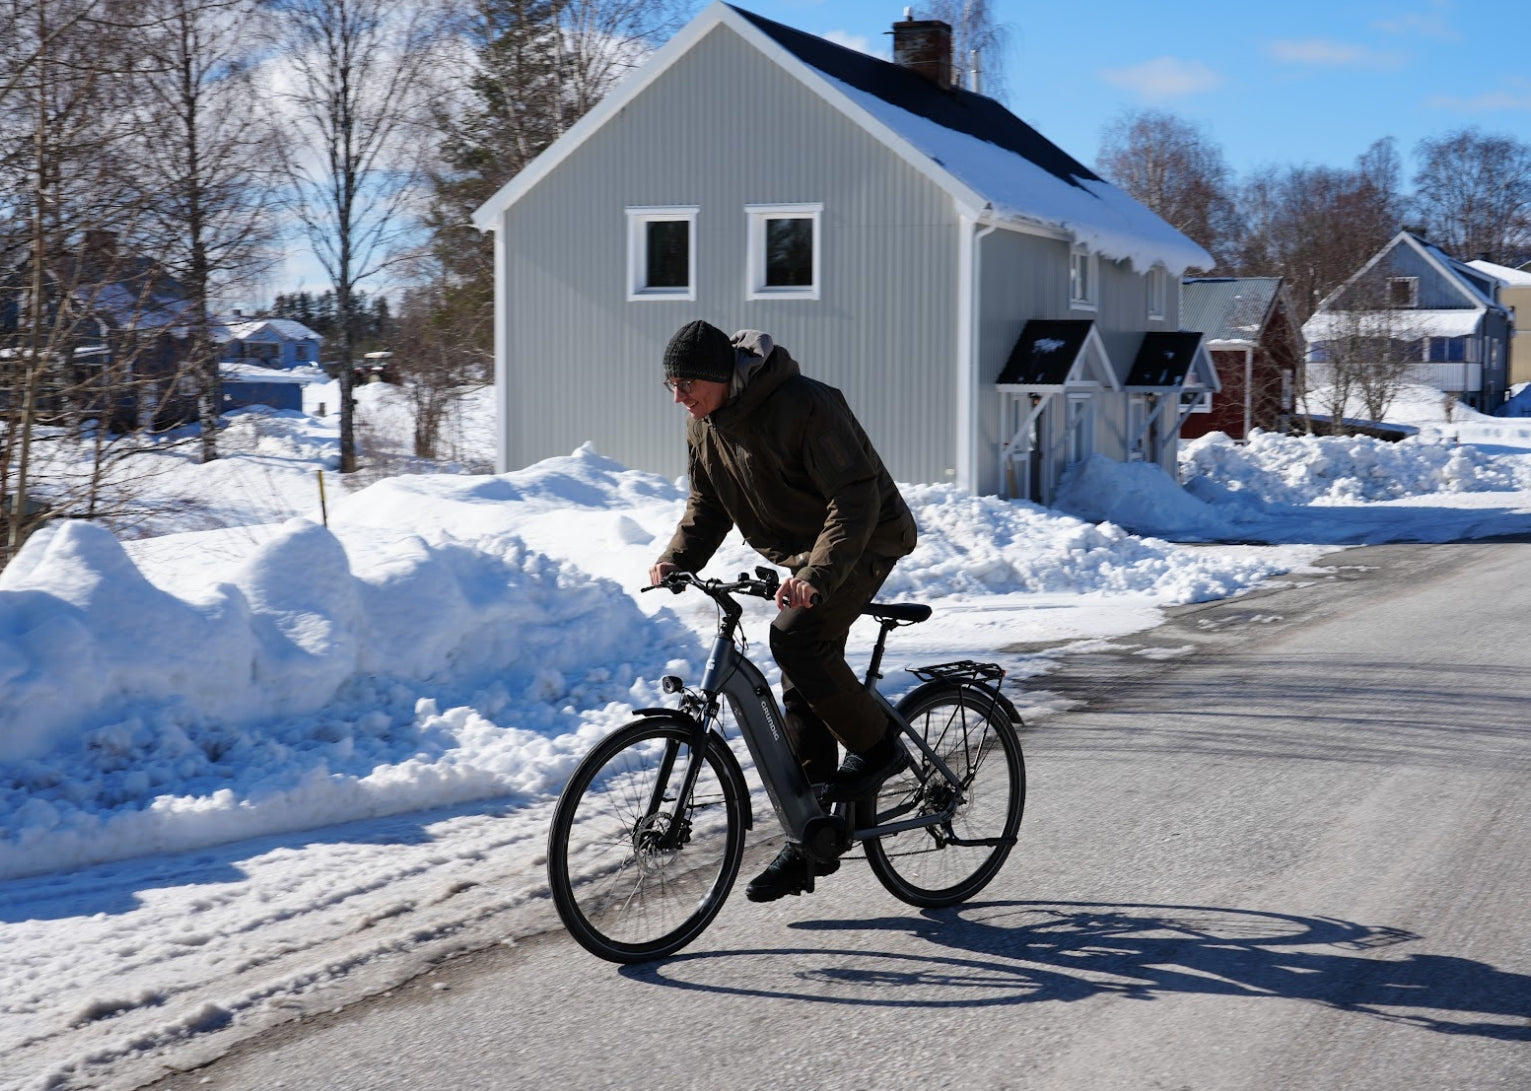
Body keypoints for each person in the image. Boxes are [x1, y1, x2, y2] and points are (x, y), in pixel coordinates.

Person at [648, 319, 918, 902]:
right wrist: (677, 558)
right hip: (805, 551)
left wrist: (817, 576)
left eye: (686, 383)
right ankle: (811, 831)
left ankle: (879, 748)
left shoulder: (805, 404)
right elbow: (709, 501)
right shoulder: (705, 425)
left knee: (797, 640)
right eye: (670, 385)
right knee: (799, 674)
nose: (678, 398)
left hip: (868, 538)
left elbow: (856, 497)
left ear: (721, 375)